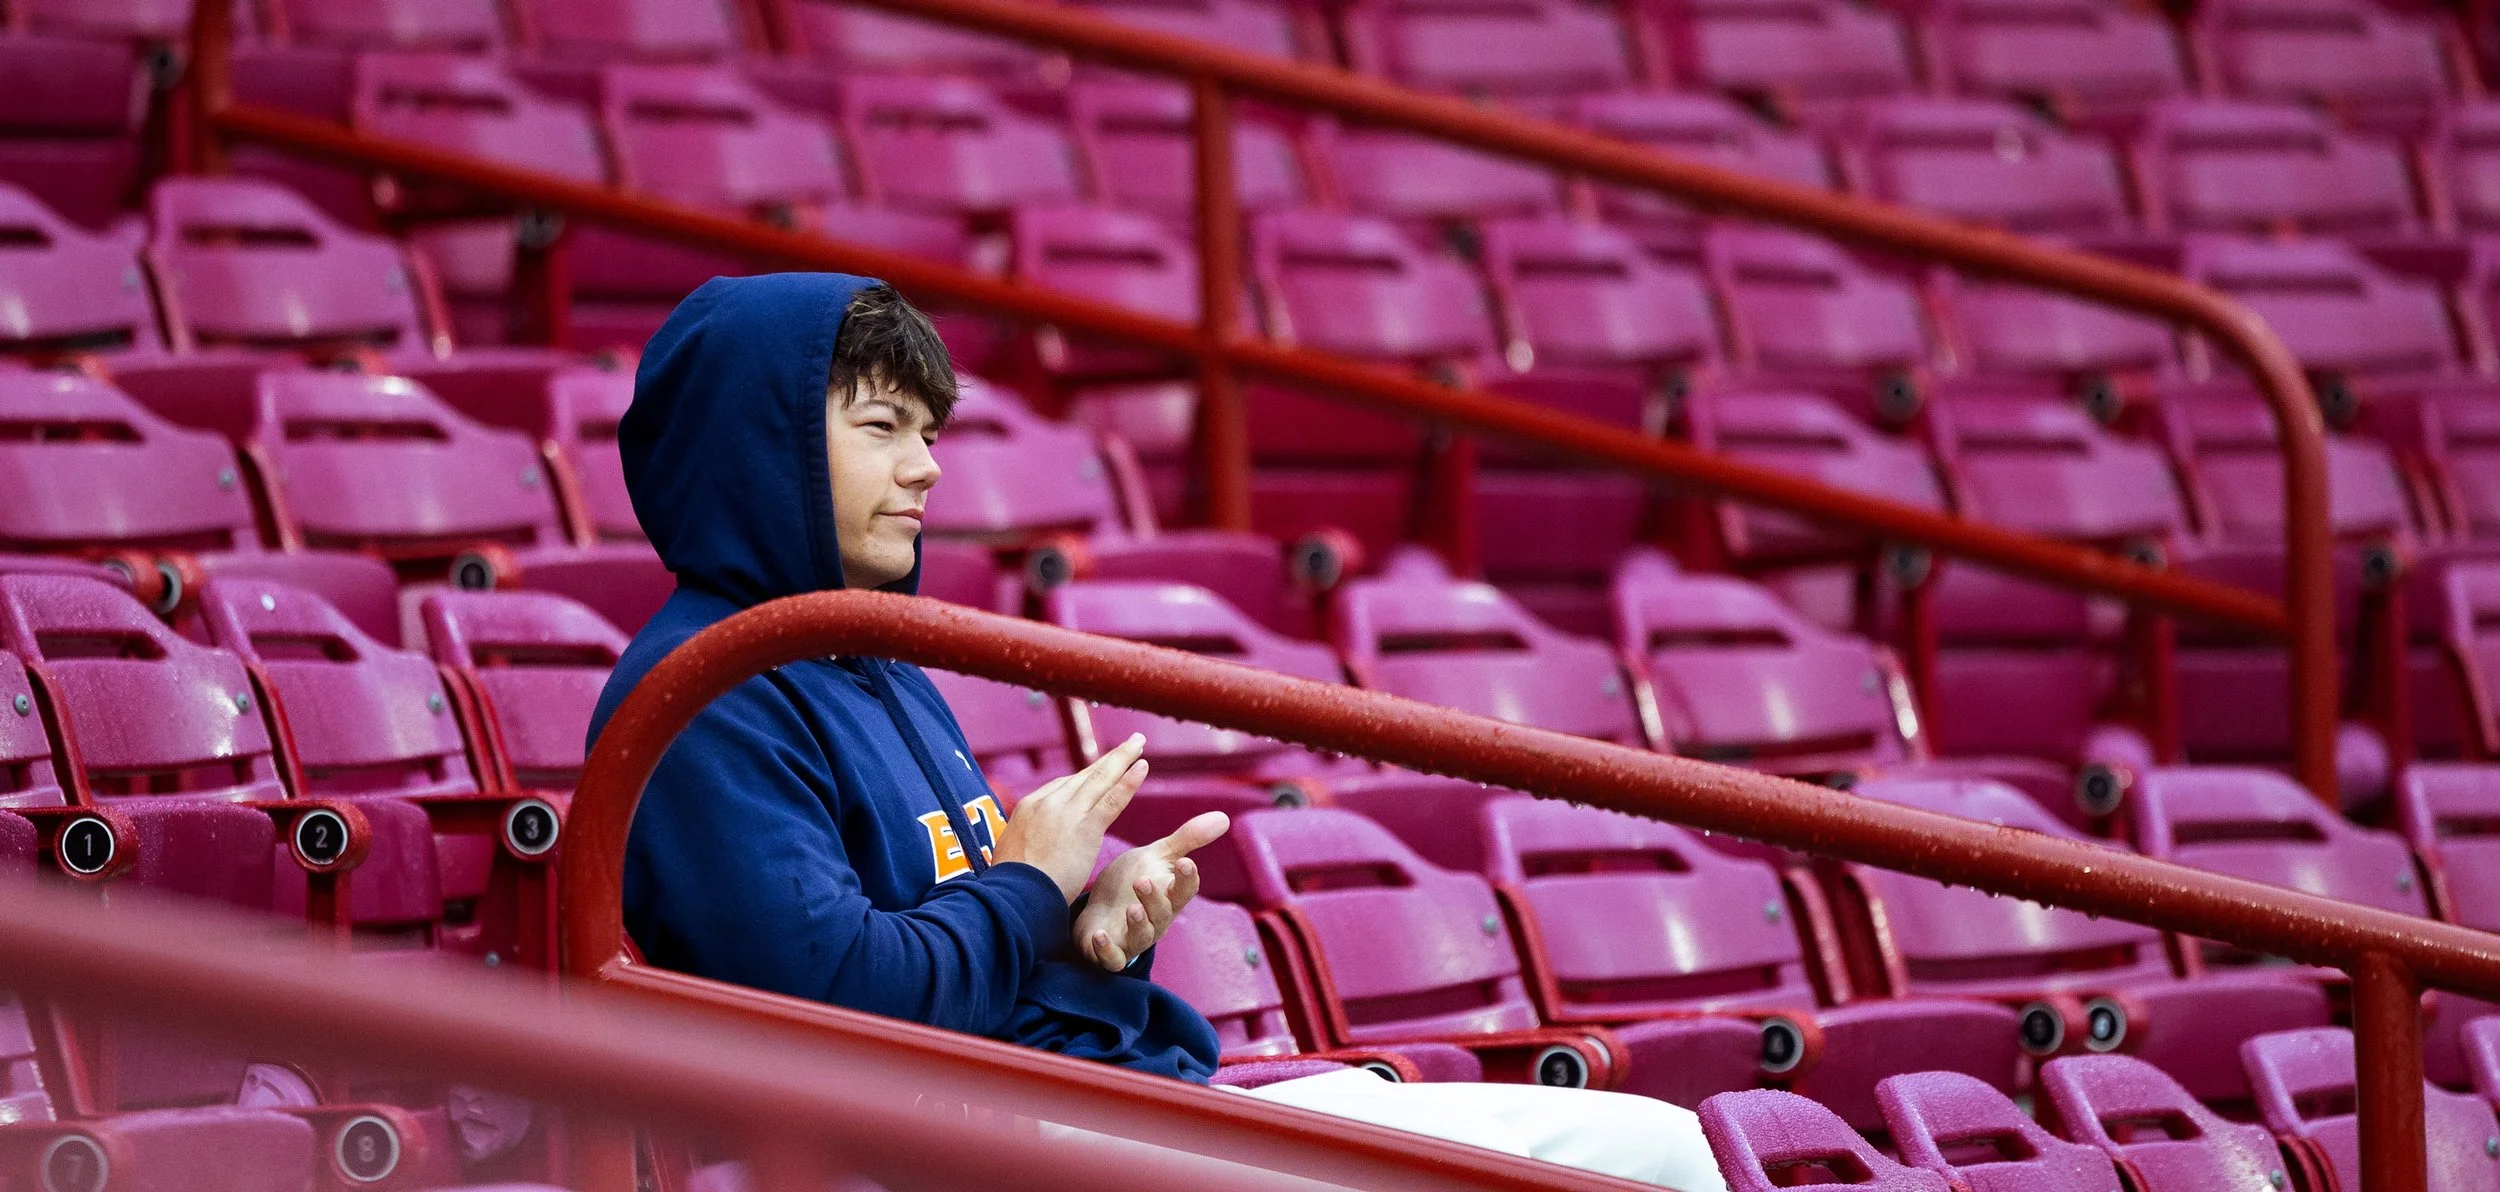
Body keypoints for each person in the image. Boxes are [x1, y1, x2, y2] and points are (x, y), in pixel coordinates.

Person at [589, 273, 1730, 1191]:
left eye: (928, 430)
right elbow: (839, 1012)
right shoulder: (705, 690)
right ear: (756, 444)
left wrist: (1088, 933)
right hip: (971, 1148)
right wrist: (1029, 885)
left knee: (1664, 1150)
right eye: (882, 426)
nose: (926, 466)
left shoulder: (865, 656)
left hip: (1095, 1102)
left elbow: (960, 949)